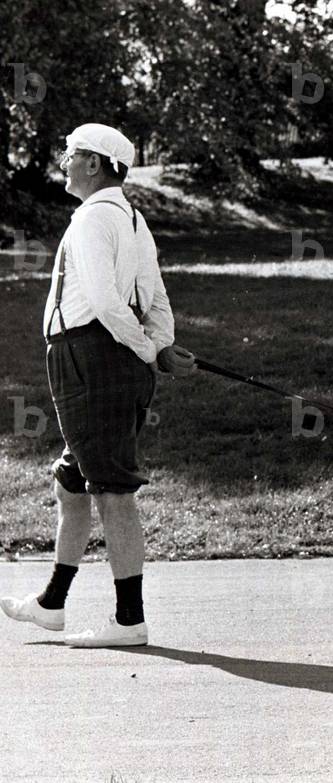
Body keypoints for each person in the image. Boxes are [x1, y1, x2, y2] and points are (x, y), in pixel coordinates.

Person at [1, 123, 195, 647]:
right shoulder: (132, 219)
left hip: (92, 358)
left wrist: (154, 349)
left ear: (93, 163)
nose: (63, 161)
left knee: (112, 490)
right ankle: (52, 603)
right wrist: (159, 344)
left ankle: (129, 621)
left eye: (70, 154)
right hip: (109, 359)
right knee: (71, 482)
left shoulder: (92, 219)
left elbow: (108, 303)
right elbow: (156, 300)